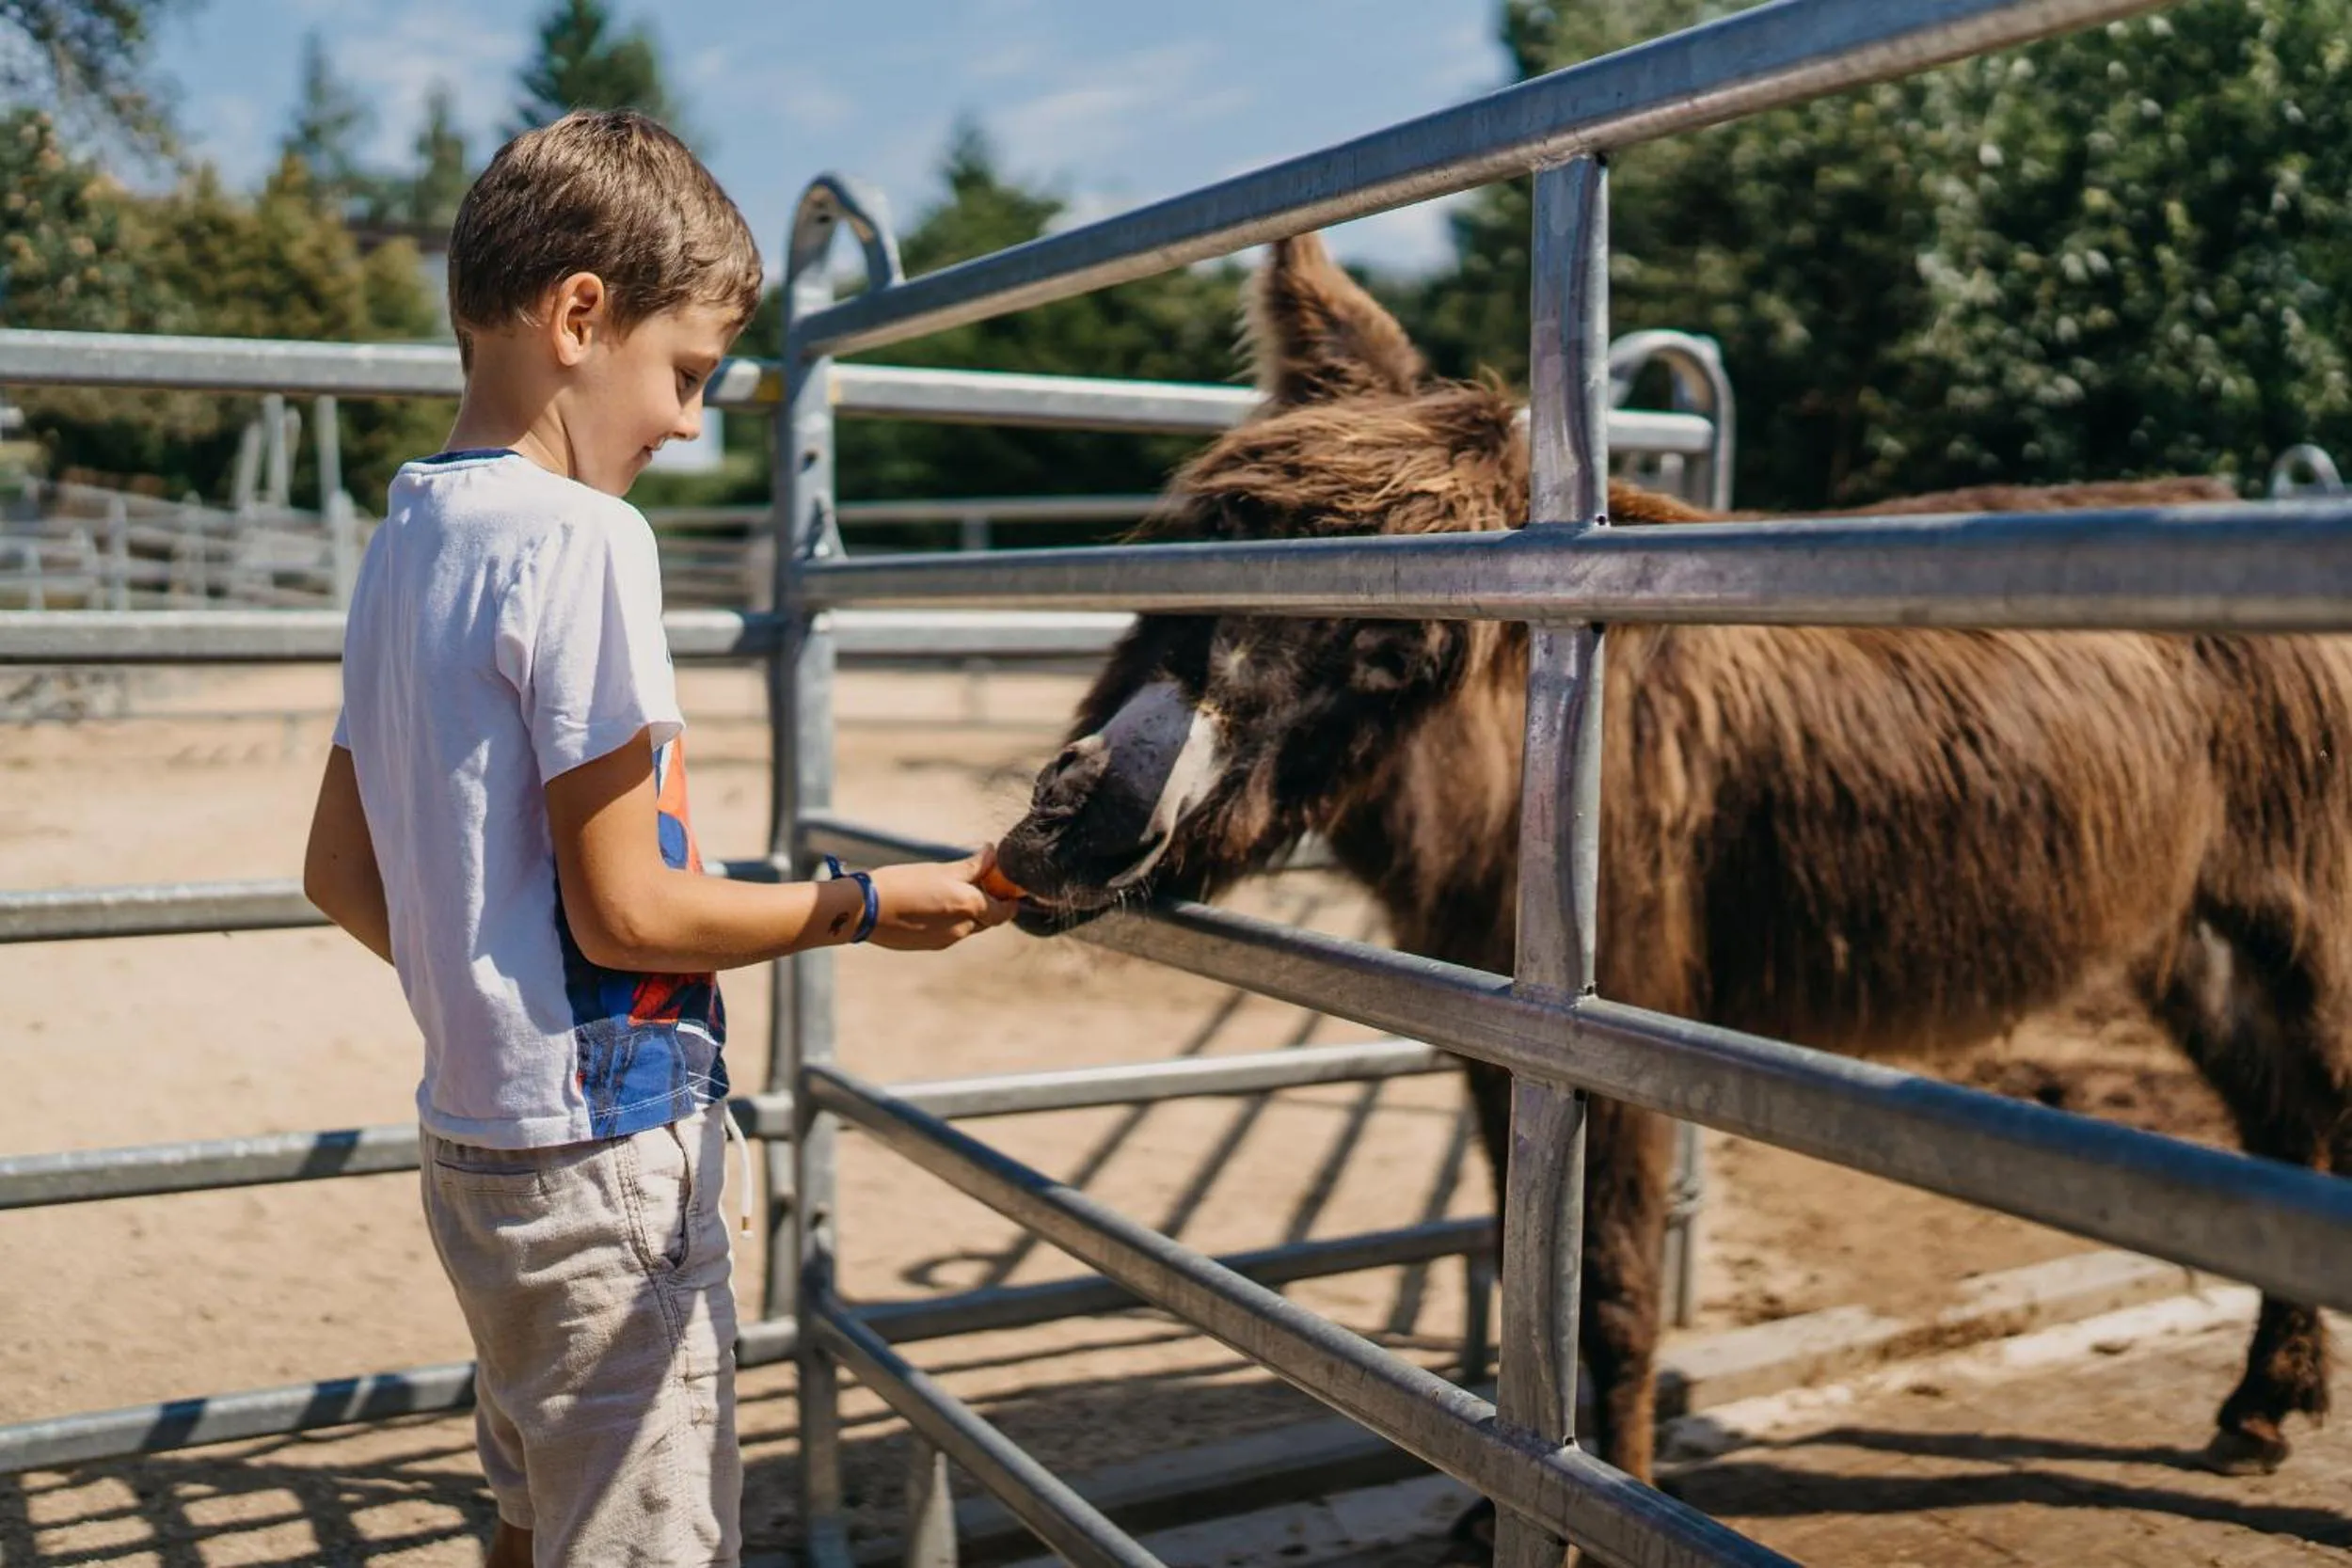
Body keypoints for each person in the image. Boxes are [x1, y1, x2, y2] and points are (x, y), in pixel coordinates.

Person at [300, 108, 1014, 1567]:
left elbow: (339, 869)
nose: (691, 420)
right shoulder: (581, 538)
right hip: (608, 1155)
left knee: (534, 1513)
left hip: (477, 1147)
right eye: (685, 373)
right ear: (579, 315)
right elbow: (630, 914)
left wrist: (488, 978)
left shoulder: (406, 540)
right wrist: (864, 903)